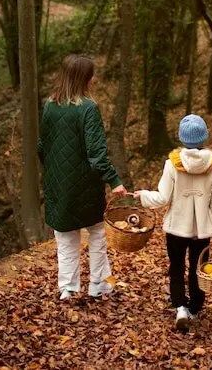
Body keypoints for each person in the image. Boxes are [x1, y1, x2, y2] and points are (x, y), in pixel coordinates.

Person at [38, 54, 127, 300]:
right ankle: (99, 285)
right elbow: (96, 154)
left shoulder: (49, 106)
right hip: (86, 186)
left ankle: (68, 288)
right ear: (84, 79)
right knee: (97, 234)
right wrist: (114, 181)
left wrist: (55, 172)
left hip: (58, 185)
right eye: (91, 75)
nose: (94, 79)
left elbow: (41, 146)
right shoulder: (88, 108)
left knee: (65, 238)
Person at [134, 114, 212, 330]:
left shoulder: (172, 164)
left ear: (181, 137)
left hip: (176, 228)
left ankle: (180, 307)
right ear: (204, 137)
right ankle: (194, 308)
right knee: (198, 268)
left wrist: (143, 196)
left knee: (176, 267)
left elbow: (162, 198)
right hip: (201, 230)